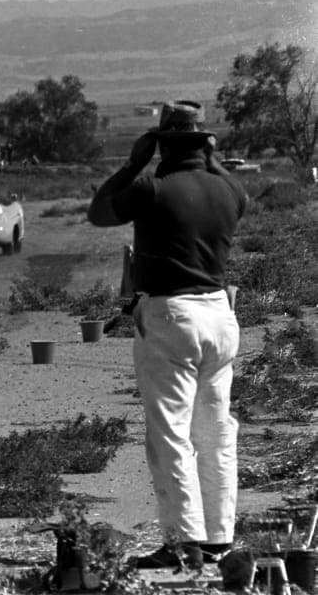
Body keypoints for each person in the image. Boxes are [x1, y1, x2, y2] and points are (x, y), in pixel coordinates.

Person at [87, 100, 247, 571]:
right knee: (216, 429)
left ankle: (184, 542)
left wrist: (135, 160)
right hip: (220, 313)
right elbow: (226, 180)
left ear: (162, 143)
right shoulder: (232, 191)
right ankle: (219, 539)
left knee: (171, 434)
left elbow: (99, 212)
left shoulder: (152, 188)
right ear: (205, 142)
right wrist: (212, 158)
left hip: (171, 315)